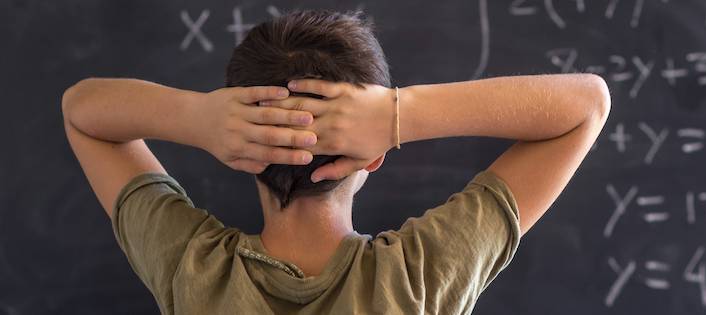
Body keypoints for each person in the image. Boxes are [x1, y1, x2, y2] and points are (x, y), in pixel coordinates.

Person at [62, 10, 610, 314]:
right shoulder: (418, 281)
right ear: (372, 158)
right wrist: (399, 114)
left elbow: (82, 111)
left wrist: (196, 118)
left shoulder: (194, 270)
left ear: (241, 154)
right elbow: (587, 105)